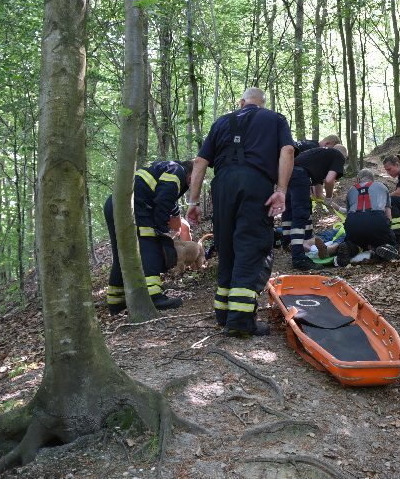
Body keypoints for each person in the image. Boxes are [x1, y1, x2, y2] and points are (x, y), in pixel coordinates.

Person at [186, 87, 295, 337]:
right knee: (251, 246)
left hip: (222, 185)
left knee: (227, 246)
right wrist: (281, 190)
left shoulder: (221, 122)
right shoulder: (275, 119)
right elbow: (287, 151)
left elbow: (200, 163)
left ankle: (223, 315)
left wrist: (193, 202)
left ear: (241, 102)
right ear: (262, 104)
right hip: (255, 184)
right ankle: (240, 321)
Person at [105, 160, 194, 313]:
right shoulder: (177, 170)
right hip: (134, 206)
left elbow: (166, 200)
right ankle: (154, 297)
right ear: (191, 173)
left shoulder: (165, 168)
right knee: (150, 247)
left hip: (114, 203)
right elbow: (163, 200)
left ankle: (116, 301)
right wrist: (161, 231)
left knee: (121, 253)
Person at [282, 143, 347, 270]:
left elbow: (318, 195)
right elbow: (329, 180)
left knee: (289, 212)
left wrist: (336, 207)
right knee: (301, 216)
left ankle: (289, 243)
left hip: (287, 172)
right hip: (300, 175)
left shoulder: (319, 159)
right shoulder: (339, 155)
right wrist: (329, 197)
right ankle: (299, 258)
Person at [335, 168, 400, 267]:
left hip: (353, 222)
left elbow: (349, 213)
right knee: (388, 239)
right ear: (372, 179)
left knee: (355, 242)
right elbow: (388, 214)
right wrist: (387, 230)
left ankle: (349, 247)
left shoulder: (351, 190)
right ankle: (386, 247)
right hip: (376, 220)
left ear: (358, 179)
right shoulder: (382, 187)